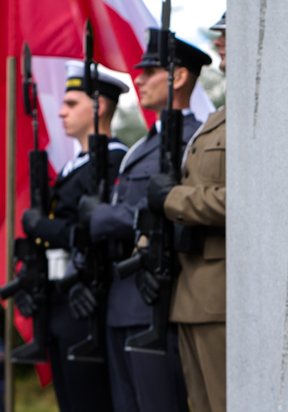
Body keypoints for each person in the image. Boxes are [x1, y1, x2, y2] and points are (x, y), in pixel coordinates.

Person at [80, 29, 212, 412]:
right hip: (123, 298)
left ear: (180, 76)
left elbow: (179, 211)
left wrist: (103, 216)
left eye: (150, 71)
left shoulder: (195, 139)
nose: (138, 78)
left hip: (158, 296)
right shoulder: (141, 146)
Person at [17, 60, 128, 411]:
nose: (61, 112)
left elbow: (100, 230)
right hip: (60, 302)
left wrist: (41, 226)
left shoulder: (114, 161)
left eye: (72, 103)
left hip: (87, 301)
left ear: (101, 106)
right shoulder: (72, 165)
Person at [145, 13, 227, 412]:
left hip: (219, 296)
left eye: (227, 34)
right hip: (190, 295)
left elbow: (240, 200)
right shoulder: (216, 120)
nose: (221, 41)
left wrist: (172, 199)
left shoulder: (238, 120)